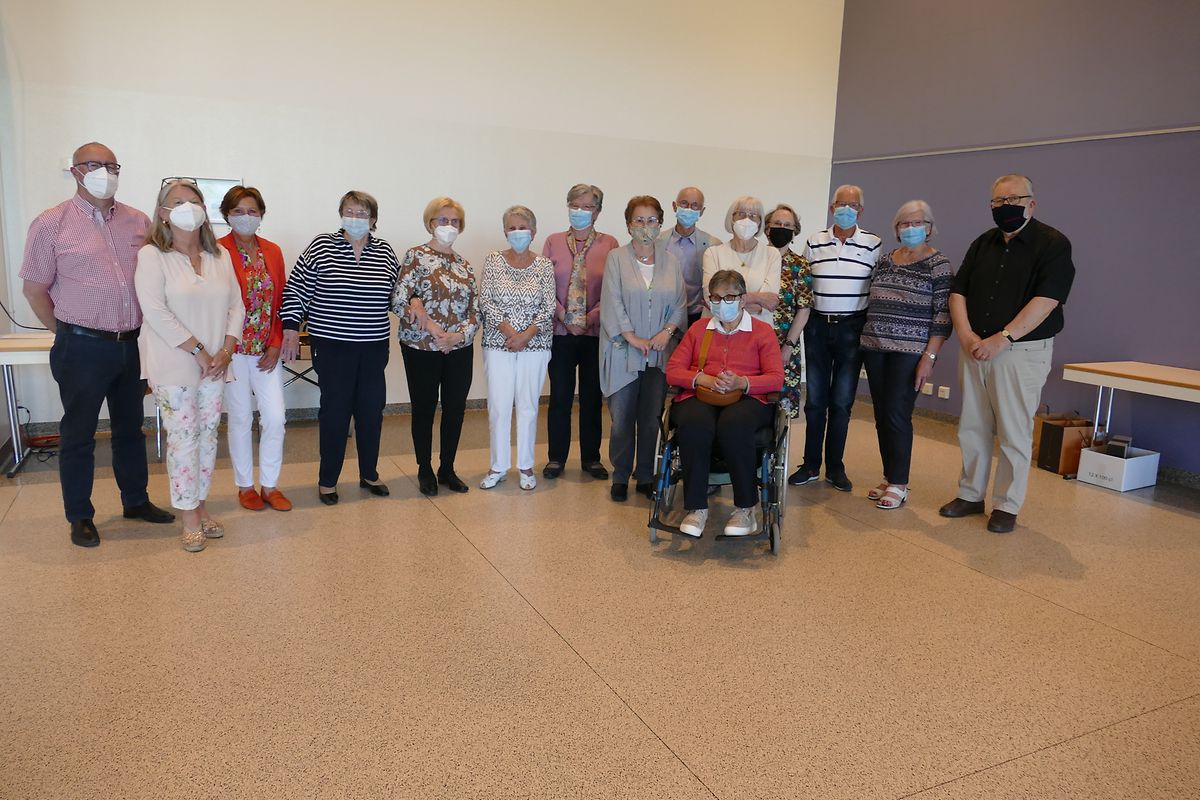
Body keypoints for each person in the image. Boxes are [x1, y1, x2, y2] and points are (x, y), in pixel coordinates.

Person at [19, 141, 174, 548]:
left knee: (130, 429)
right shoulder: (50, 223)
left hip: (132, 345)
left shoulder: (139, 221)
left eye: (111, 165)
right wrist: (65, 331)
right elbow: (34, 289)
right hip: (81, 346)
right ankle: (80, 516)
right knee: (79, 434)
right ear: (75, 171)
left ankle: (136, 501)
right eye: (93, 164)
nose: (104, 172)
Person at [939, 175, 1074, 533]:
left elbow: (1047, 300)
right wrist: (966, 335)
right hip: (974, 348)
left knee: (1014, 431)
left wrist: (1003, 338)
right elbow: (958, 292)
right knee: (972, 426)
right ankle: (970, 495)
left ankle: (1006, 505)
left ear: (1032, 203)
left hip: (1019, 351)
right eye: (998, 201)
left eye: (1013, 199)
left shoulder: (1053, 244)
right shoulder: (983, 243)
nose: (1005, 206)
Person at [134, 179, 245, 552]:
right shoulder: (152, 256)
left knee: (208, 437)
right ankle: (189, 518)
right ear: (163, 213)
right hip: (175, 365)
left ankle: (200, 504)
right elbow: (155, 311)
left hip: (216, 364)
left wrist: (226, 349)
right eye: (178, 201)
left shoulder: (219, 256)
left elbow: (237, 306)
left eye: (194, 201)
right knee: (183, 440)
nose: (188, 207)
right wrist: (198, 350)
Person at [280, 190, 399, 505]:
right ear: (341, 215)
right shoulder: (322, 246)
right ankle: (328, 481)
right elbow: (297, 288)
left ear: (373, 219)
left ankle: (369, 474)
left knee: (371, 411)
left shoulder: (385, 252)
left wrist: (416, 307)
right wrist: (290, 327)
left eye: (362, 213)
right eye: (349, 211)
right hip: (332, 346)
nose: (355, 218)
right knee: (335, 413)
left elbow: (397, 294)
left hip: (373, 347)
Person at [665, 271, 784, 538]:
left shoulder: (762, 332)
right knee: (693, 423)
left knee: (734, 424)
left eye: (729, 297)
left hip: (749, 398)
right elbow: (673, 371)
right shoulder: (699, 329)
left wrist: (742, 382)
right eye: (716, 298)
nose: (722, 303)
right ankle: (696, 508)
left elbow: (776, 378)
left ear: (742, 299)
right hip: (701, 394)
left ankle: (745, 509)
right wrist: (702, 378)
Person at [789, 184, 881, 492]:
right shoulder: (814, 241)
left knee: (842, 402)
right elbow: (804, 283)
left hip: (852, 328)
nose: (846, 209)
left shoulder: (873, 244)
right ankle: (810, 464)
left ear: (861, 210)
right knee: (815, 401)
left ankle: (835, 467)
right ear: (832, 208)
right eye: (841, 204)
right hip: (817, 326)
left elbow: (876, 286)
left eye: (852, 205)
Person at [860, 200, 952, 510]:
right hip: (875, 347)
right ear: (896, 228)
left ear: (929, 227)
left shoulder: (938, 264)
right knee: (882, 414)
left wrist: (930, 357)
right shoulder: (886, 260)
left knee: (897, 414)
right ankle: (889, 476)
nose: (911, 228)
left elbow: (942, 316)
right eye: (904, 223)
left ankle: (899, 483)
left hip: (910, 352)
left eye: (917, 223)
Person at [600, 195, 686, 502]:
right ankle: (621, 475)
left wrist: (666, 333)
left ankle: (646, 475)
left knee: (651, 419)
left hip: (659, 353)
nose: (645, 226)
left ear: (660, 224)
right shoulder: (616, 259)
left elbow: (680, 303)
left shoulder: (671, 262)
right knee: (622, 420)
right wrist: (631, 336)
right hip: (623, 350)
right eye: (639, 220)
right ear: (628, 224)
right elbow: (612, 301)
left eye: (651, 220)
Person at [394, 197, 479, 496]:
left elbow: (476, 312)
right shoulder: (415, 257)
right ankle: (425, 469)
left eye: (454, 221)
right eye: (443, 220)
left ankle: (447, 469)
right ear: (431, 223)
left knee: (455, 408)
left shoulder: (465, 266)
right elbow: (399, 300)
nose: (449, 226)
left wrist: (457, 337)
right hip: (421, 347)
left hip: (458, 349)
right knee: (424, 408)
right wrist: (432, 328)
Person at [217, 186, 291, 512]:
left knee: (275, 417)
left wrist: (276, 343)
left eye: (252, 211)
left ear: (261, 214)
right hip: (231, 350)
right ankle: (245, 486)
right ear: (226, 215)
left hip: (265, 350)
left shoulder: (272, 251)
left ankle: (270, 486)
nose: (245, 217)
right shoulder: (216, 251)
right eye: (238, 211)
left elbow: (281, 300)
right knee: (240, 417)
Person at [541, 183, 619, 481]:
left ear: (597, 212)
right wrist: (564, 316)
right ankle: (556, 458)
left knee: (591, 398)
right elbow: (544, 285)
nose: (580, 211)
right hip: (560, 333)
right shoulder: (553, 241)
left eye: (587, 207)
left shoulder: (610, 244)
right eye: (575, 205)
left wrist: (589, 318)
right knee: (560, 397)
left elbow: (613, 289)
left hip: (594, 333)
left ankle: (591, 459)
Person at [477, 205, 555, 491]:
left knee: (528, 406)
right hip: (498, 344)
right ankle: (498, 466)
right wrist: (511, 333)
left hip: (535, 346)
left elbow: (548, 306)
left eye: (523, 227)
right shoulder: (493, 261)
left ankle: (525, 466)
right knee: (498, 407)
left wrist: (526, 336)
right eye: (512, 227)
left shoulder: (544, 265)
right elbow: (486, 301)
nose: (518, 232)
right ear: (505, 232)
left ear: (533, 232)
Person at [701, 196, 782, 328]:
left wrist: (728, 301)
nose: (747, 220)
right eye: (741, 214)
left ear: (760, 222)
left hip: (758, 330)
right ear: (732, 219)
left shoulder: (772, 254)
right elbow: (712, 299)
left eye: (753, 216)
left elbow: (770, 302)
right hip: (718, 329)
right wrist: (759, 298)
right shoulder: (713, 253)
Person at [765, 203, 813, 419]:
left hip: (784, 344)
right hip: (749, 342)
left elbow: (803, 309)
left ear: (795, 232)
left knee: (779, 408)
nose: (781, 228)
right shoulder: (754, 258)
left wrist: (788, 347)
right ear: (767, 227)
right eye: (777, 223)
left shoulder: (799, 264)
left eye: (787, 225)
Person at [658, 186, 721, 329]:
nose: (689, 209)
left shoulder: (713, 245)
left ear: (702, 211)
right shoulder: (658, 242)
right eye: (684, 203)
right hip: (665, 315)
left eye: (695, 205)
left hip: (698, 315)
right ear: (674, 206)